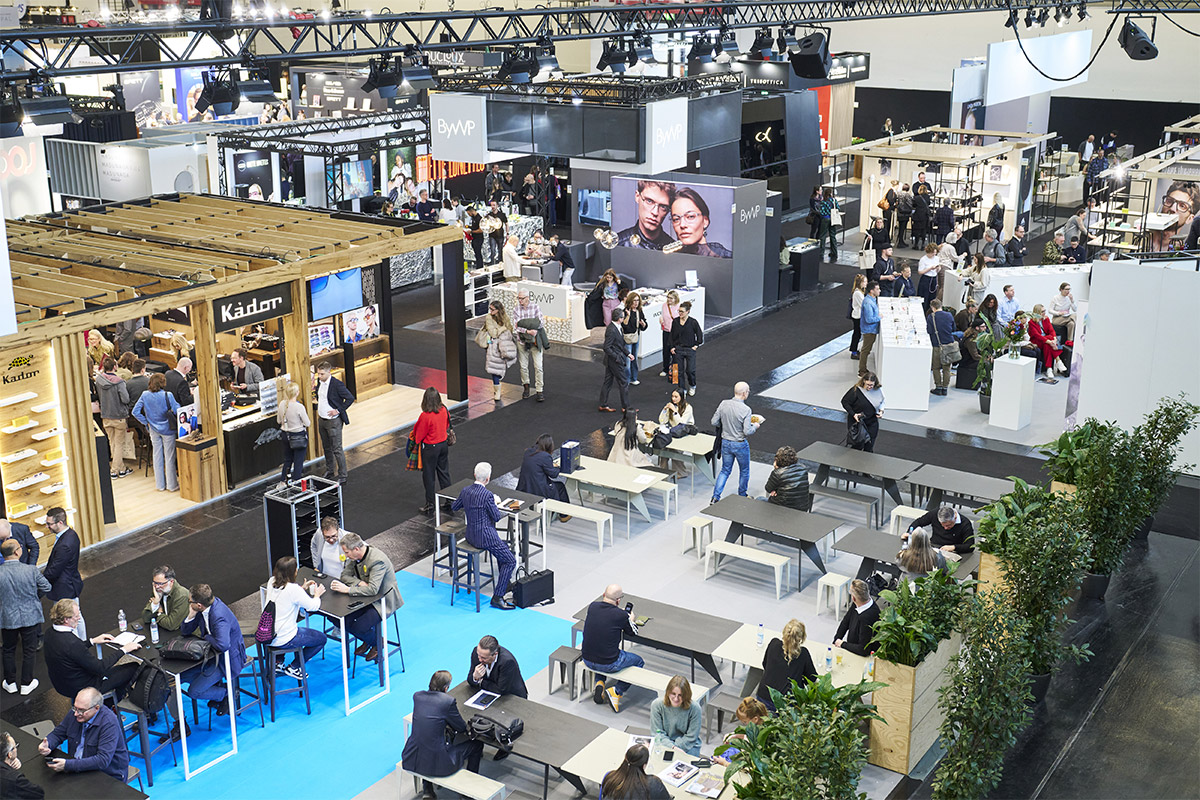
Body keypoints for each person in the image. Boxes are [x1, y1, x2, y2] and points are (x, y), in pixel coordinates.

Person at [173, 584, 247, 729]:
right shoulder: (203, 609)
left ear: (199, 604)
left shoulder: (219, 615)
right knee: (181, 677)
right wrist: (190, 616)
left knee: (194, 691)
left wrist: (207, 637)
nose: (189, 604)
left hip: (226, 661)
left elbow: (223, 645)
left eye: (190, 601)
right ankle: (215, 689)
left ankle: (226, 693)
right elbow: (185, 631)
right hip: (211, 656)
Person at [403, 670, 484, 799]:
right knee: (477, 745)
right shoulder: (447, 701)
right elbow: (461, 727)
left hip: (411, 757)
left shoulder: (417, 696)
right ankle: (467, 793)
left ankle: (427, 789)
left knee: (428, 739)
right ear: (446, 688)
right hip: (440, 764)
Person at [43, 600, 139, 703]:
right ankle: (113, 702)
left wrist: (92, 641)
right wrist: (124, 650)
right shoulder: (71, 643)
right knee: (133, 667)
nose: (79, 618)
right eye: (76, 616)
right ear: (66, 619)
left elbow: (71, 652)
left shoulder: (50, 633)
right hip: (84, 687)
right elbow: (100, 667)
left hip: (62, 685)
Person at [451, 463, 517, 611]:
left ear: (475, 475)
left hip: (470, 535)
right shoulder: (487, 495)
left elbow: (454, 506)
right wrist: (495, 502)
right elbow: (496, 516)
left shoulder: (465, 491)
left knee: (503, 547)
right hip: (485, 537)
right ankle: (498, 597)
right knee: (510, 560)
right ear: (488, 479)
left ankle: (505, 584)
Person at [330, 532, 402, 661]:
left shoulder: (377, 561)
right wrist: (358, 583)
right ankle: (369, 639)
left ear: (356, 549)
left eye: (346, 552)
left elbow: (373, 589)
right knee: (340, 618)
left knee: (359, 627)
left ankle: (376, 642)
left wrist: (348, 589)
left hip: (382, 601)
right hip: (365, 597)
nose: (345, 556)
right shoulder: (355, 557)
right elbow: (344, 576)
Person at [38, 687, 129, 783]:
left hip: (106, 775)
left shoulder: (109, 723)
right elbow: (58, 734)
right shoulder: (75, 713)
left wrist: (68, 765)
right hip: (78, 767)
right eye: (75, 708)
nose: (76, 714)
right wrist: (48, 744)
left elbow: (102, 760)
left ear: (96, 708)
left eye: (81, 710)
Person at [582, 584, 643, 712]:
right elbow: (633, 632)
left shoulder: (593, 606)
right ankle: (617, 691)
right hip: (609, 664)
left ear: (604, 595)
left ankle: (599, 682)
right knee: (639, 661)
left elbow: (606, 617)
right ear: (618, 600)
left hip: (587, 658)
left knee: (600, 648)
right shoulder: (621, 615)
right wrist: (630, 619)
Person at [0, 539, 50, 695]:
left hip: (8, 617)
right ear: (17, 552)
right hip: (30, 616)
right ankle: (27, 683)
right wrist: (34, 598)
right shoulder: (31, 570)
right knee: (29, 650)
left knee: (8, 650)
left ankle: (10, 682)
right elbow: (47, 587)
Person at [264, 557, 326, 681]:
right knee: (321, 639)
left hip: (268, 635)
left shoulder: (271, 581)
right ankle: (294, 666)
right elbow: (313, 606)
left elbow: (287, 597)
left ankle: (278, 662)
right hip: (285, 638)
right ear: (294, 572)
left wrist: (302, 589)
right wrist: (317, 594)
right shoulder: (294, 590)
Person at [710, 382, 761, 504]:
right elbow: (747, 431)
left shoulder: (723, 404)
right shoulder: (746, 410)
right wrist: (755, 426)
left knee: (725, 470)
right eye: (748, 391)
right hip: (740, 444)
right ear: (744, 393)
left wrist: (725, 425)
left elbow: (714, 422)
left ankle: (715, 497)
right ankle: (742, 495)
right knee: (744, 471)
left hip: (726, 443)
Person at [132, 373, 181, 492]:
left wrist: (146, 422)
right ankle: (172, 485)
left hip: (153, 429)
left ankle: (160, 485)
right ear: (163, 383)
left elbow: (135, 412)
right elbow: (177, 410)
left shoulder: (145, 394)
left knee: (157, 456)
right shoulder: (168, 395)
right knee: (169, 457)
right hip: (168, 429)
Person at [756, 619, 816, 712]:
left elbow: (765, 664)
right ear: (801, 638)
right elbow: (812, 679)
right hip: (787, 704)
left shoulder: (773, 644)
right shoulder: (803, 654)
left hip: (764, 697)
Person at [43, 508, 84, 638]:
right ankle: (83, 642)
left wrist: (40, 581)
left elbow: (54, 570)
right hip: (70, 583)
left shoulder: (64, 544)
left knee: (68, 620)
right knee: (77, 616)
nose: (47, 526)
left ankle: (77, 644)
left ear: (60, 523)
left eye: (49, 524)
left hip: (64, 588)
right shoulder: (72, 534)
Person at [314, 361, 354, 484]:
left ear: (328, 372)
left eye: (322, 374)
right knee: (326, 447)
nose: (319, 376)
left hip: (333, 421)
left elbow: (350, 398)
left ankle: (343, 475)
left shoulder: (337, 384)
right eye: (318, 374)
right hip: (322, 420)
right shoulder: (319, 383)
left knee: (337, 448)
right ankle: (330, 470)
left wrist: (338, 410)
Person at [414, 387, 452, 515]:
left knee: (429, 476)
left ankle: (430, 504)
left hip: (430, 448)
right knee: (444, 473)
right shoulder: (444, 410)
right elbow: (447, 425)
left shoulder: (425, 416)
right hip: (443, 445)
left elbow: (419, 436)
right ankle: (449, 500)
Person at [516, 434, 570, 518]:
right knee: (560, 486)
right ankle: (564, 515)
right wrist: (558, 468)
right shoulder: (545, 456)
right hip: (539, 490)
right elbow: (553, 474)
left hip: (525, 487)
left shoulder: (528, 452)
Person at [94, 357, 131, 480]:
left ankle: (122, 468)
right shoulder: (119, 382)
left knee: (112, 443)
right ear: (115, 367)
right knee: (119, 444)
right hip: (118, 415)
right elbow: (125, 399)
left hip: (105, 415)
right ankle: (114, 470)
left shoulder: (99, 380)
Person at [650, 675, 702, 757]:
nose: (676, 699)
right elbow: (657, 733)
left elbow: (691, 737)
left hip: (688, 745)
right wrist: (673, 747)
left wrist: (676, 749)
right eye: (673, 694)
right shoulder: (657, 705)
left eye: (680, 695)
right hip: (665, 743)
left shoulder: (695, 708)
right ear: (668, 692)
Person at [618, 179, 677, 250]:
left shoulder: (674, 249)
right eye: (649, 201)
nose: (655, 212)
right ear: (637, 196)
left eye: (663, 206)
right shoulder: (619, 244)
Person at [711, 698, 769, 767]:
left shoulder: (762, 740)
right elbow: (747, 736)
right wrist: (734, 736)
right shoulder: (759, 727)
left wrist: (725, 763)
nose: (744, 724)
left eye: (745, 722)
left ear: (755, 719)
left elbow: (746, 768)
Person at [512, 290, 547, 402]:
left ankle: (539, 390)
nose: (520, 300)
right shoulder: (516, 309)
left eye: (522, 298)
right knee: (523, 366)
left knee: (538, 366)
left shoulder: (535, 307)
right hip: (522, 341)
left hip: (535, 341)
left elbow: (540, 323)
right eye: (519, 298)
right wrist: (528, 331)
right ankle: (526, 387)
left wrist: (526, 326)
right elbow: (516, 327)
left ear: (528, 297)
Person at [467, 634, 527, 699]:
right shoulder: (476, 653)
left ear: (495, 654)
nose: (480, 659)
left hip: (512, 697)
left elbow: (500, 690)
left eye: (484, 658)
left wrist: (480, 682)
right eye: (479, 655)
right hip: (490, 694)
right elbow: (470, 679)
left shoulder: (507, 662)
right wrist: (475, 677)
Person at [833, 579, 880, 655]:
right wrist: (836, 640)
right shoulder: (859, 603)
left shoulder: (867, 617)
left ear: (853, 598)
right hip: (853, 647)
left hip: (861, 653)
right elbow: (845, 622)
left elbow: (863, 649)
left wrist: (842, 644)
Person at [598, 307, 632, 413]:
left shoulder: (616, 327)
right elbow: (606, 347)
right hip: (614, 361)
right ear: (619, 318)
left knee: (608, 382)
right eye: (623, 317)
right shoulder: (612, 330)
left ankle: (603, 404)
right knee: (623, 382)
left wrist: (628, 354)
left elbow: (619, 344)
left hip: (611, 360)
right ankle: (625, 407)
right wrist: (617, 357)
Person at [1149, 180, 1198, 252]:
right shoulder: (1143, 240)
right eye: (1169, 201)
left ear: (1190, 219)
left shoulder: (1182, 249)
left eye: (1182, 206)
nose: (1172, 208)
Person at [906, 505, 976, 554]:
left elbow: (970, 546)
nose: (945, 528)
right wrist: (909, 533)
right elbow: (919, 522)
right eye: (942, 525)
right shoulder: (934, 514)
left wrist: (953, 547)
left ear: (955, 517)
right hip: (933, 546)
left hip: (952, 552)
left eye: (948, 525)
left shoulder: (965, 523)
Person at [841, 372, 883, 452]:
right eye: (868, 384)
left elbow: (881, 402)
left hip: (872, 422)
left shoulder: (877, 390)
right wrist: (853, 414)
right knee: (857, 446)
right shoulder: (856, 390)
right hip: (857, 422)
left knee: (869, 447)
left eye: (871, 385)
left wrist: (881, 411)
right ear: (863, 381)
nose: (869, 387)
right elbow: (845, 402)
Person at [669, 300, 703, 396]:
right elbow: (671, 335)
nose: (680, 313)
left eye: (682, 311)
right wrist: (672, 347)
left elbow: (699, 335)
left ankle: (692, 385)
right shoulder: (675, 321)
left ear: (688, 311)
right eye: (679, 311)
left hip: (689, 349)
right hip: (678, 349)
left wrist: (696, 345)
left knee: (690, 370)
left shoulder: (693, 322)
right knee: (678, 371)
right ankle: (682, 389)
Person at [762, 445, 811, 511]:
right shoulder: (803, 469)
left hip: (783, 508)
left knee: (759, 499)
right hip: (802, 508)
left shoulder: (778, 473)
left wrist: (775, 468)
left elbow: (768, 489)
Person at [141, 565, 189, 631]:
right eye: (155, 583)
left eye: (160, 583)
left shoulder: (182, 596)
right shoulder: (159, 591)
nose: (157, 586)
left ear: (171, 581)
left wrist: (160, 612)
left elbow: (171, 625)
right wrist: (155, 603)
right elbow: (146, 619)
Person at [927, 299, 957, 397]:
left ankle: (938, 387)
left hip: (937, 345)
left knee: (936, 367)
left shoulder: (931, 317)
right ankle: (945, 388)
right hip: (948, 345)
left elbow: (929, 331)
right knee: (947, 369)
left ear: (932, 307)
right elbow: (953, 328)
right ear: (941, 306)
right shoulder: (949, 315)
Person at [1, 730, 44, 799]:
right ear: (9, 754)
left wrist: (11, 760)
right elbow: (38, 793)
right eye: (15, 747)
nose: (16, 749)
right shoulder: (15, 780)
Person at [1029, 304, 1068, 376]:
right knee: (1049, 339)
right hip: (1037, 341)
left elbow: (1052, 330)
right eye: (1042, 311)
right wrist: (1050, 341)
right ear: (1037, 313)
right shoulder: (1031, 322)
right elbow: (1037, 336)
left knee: (1047, 344)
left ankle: (1049, 368)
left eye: (1045, 311)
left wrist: (1055, 339)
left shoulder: (1046, 319)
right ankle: (1058, 361)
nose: (1044, 313)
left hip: (1046, 341)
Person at [621, 292, 649, 386]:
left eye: (637, 300)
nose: (636, 303)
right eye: (634, 300)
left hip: (636, 336)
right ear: (630, 301)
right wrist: (628, 316)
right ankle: (626, 379)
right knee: (628, 359)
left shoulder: (639, 311)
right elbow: (624, 326)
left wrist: (643, 324)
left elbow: (644, 324)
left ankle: (634, 378)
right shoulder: (625, 311)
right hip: (628, 338)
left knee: (635, 358)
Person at [956, 318, 987, 390]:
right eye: (983, 326)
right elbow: (975, 356)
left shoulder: (973, 336)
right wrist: (985, 359)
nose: (985, 328)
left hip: (969, 359)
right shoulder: (971, 340)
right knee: (985, 363)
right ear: (977, 328)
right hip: (967, 362)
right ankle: (985, 383)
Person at [858, 281, 881, 376]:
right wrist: (879, 317)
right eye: (877, 289)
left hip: (871, 329)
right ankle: (862, 370)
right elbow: (869, 319)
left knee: (866, 350)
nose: (879, 290)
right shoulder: (868, 303)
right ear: (871, 291)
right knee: (865, 350)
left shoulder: (872, 299)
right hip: (869, 330)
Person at [658, 290, 680, 378]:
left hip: (675, 333)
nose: (669, 299)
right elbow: (663, 315)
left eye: (671, 298)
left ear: (675, 299)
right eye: (668, 297)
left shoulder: (679, 307)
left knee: (675, 352)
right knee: (666, 351)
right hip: (666, 331)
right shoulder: (664, 305)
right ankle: (665, 369)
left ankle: (675, 371)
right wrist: (661, 320)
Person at [815, 187, 840, 261]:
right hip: (833, 219)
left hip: (825, 219)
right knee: (833, 236)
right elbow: (838, 208)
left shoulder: (823, 201)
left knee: (823, 236)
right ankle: (834, 252)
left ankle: (821, 253)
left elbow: (822, 211)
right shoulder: (834, 201)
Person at [916, 244, 939, 309]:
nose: (934, 255)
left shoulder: (936, 258)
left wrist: (938, 268)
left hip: (933, 278)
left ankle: (930, 310)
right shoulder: (923, 259)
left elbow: (937, 270)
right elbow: (920, 272)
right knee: (924, 297)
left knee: (932, 297)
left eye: (935, 253)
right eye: (932, 253)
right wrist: (930, 268)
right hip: (926, 279)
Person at [911, 185, 930, 250]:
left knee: (917, 230)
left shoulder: (916, 198)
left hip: (918, 215)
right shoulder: (927, 197)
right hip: (925, 215)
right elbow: (928, 203)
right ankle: (923, 245)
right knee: (924, 230)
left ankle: (916, 244)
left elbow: (913, 205)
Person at [895, 183, 913, 248]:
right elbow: (910, 204)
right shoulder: (908, 195)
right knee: (903, 228)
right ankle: (900, 242)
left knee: (900, 228)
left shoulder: (899, 194)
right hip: (905, 214)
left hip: (900, 213)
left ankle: (900, 241)